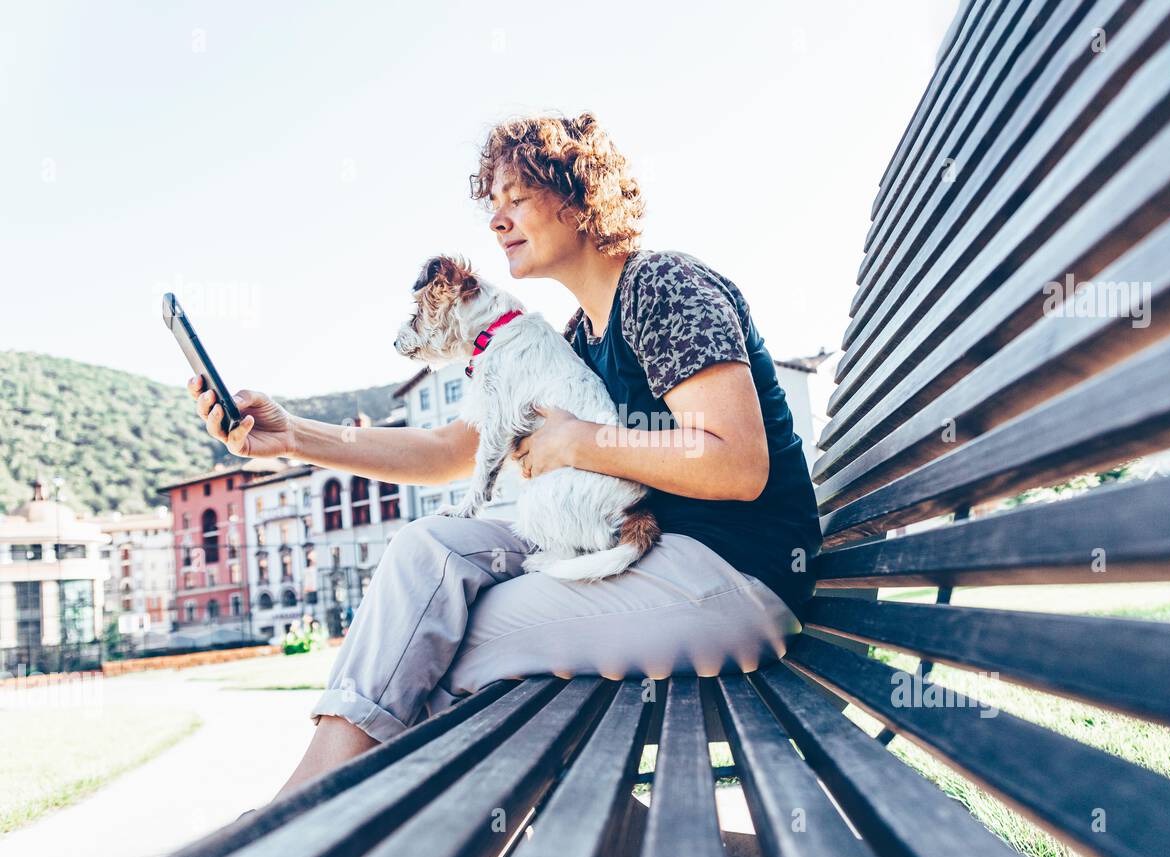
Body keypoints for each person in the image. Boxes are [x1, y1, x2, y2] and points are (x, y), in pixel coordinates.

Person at [188, 112, 822, 804]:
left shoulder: (662, 287)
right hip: (645, 552)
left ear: (581, 199)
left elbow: (737, 463)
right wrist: (295, 435)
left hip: (734, 574)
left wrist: (581, 441)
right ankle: (306, 812)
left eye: (515, 198)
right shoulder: (576, 337)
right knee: (425, 549)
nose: (497, 221)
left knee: (442, 650)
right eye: (492, 204)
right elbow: (446, 452)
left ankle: (301, 822)